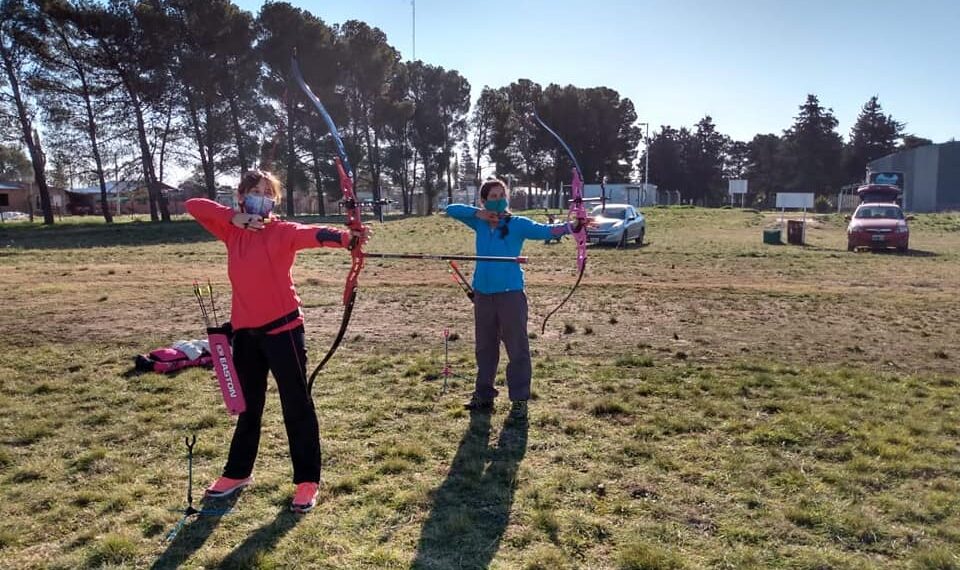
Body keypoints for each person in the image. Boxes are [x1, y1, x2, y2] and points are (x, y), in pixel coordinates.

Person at [185, 169, 369, 514]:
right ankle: (237, 472)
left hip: (284, 330)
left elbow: (315, 234)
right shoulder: (231, 229)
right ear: (241, 196)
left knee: (296, 405)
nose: (263, 197)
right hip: (244, 333)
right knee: (248, 407)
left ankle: (307, 481)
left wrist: (349, 238)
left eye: (269, 192)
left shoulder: (281, 231)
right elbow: (194, 204)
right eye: (256, 191)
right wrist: (235, 218)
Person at [446, 177, 586, 420]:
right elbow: (450, 209)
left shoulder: (517, 224)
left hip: (510, 293)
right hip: (483, 293)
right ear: (484, 200)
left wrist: (573, 226)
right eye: (493, 197)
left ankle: (519, 400)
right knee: (484, 347)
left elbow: (545, 230)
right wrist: (480, 214)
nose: (499, 200)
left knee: (517, 348)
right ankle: (483, 396)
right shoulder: (478, 222)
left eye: (502, 196)